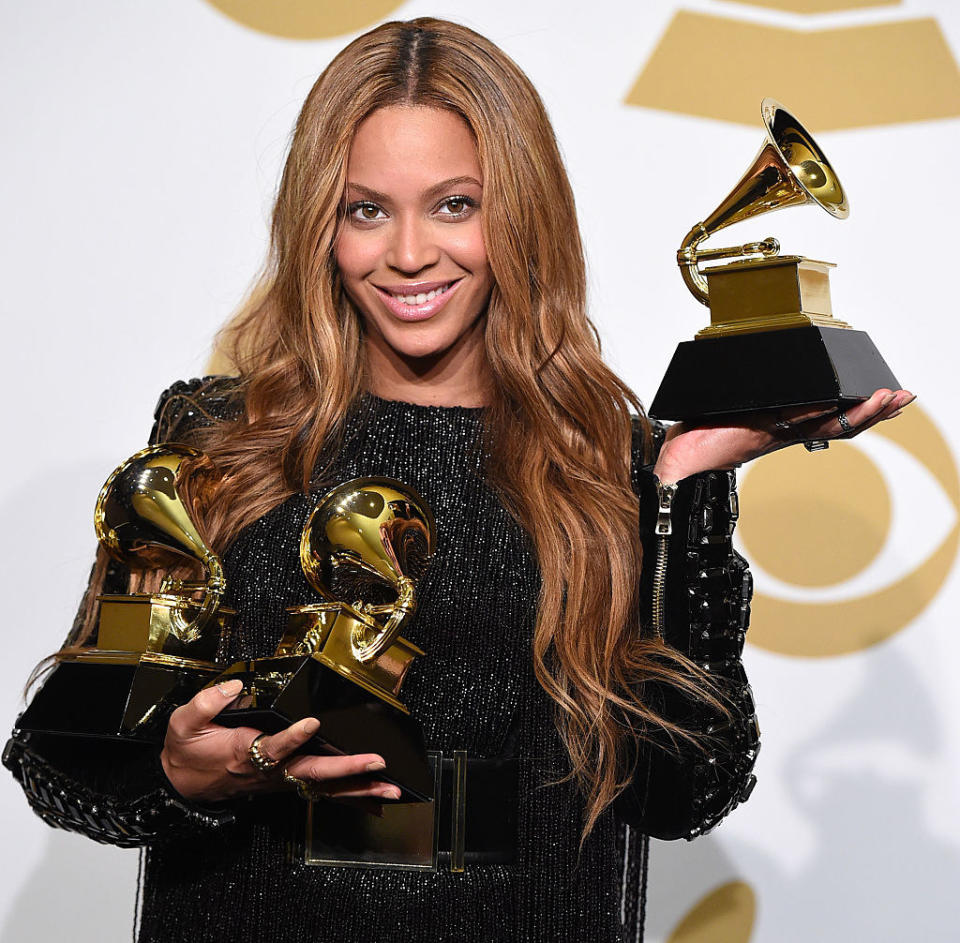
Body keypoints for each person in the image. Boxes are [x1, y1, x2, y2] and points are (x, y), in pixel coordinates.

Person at [3, 16, 912, 943]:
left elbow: (684, 793)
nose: (408, 253)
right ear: (321, 223)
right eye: (366, 209)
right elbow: (58, 762)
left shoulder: (616, 465)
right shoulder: (215, 442)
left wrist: (682, 488)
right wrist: (174, 771)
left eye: (454, 205)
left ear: (521, 213)